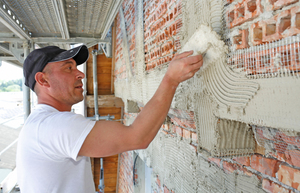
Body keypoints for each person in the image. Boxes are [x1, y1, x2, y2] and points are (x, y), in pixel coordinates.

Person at [17, 45, 203, 192]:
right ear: (43, 80)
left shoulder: (41, 124)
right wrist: (171, 79)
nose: (80, 74)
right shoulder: (52, 126)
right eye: (68, 68)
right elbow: (137, 137)